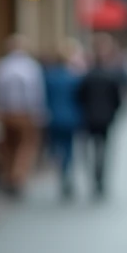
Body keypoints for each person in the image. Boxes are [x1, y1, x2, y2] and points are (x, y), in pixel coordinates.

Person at [0, 34, 46, 195]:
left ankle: (9, 175)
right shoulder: (31, 67)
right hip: (25, 113)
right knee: (25, 147)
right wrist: (38, 112)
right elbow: (36, 92)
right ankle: (18, 176)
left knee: (8, 147)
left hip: (6, 112)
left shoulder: (0, 66)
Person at [75, 34, 125, 198]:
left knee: (89, 148)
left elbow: (79, 97)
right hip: (106, 118)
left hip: (89, 117)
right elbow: (117, 99)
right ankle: (100, 178)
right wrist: (114, 112)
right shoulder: (110, 77)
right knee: (103, 149)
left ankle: (94, 176)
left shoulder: (87, 77)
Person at [44, 40, 85, 199]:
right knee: (69, 148)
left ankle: (61, 170)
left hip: (53, 117)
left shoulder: (50, 77)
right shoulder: (73, 77)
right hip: (71, 117)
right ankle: (66, 172)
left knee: (56, 146)